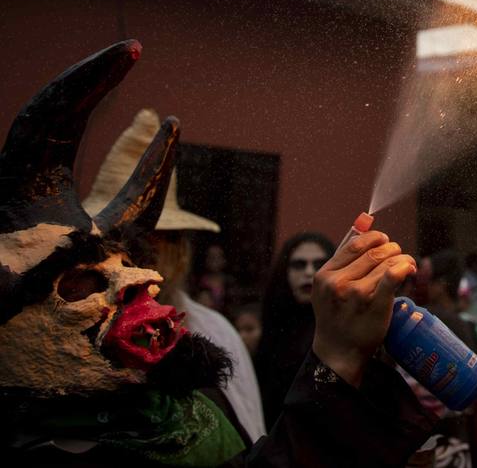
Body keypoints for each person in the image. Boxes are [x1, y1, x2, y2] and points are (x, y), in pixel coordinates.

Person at [0, 40, 435, 466]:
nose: (140, 278)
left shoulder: (181, 396)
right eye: (84, 281)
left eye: (129, 261)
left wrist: (343, 362)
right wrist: (335, 360)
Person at [81, 108, 267, 442]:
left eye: (146, 239)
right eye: (114, 241)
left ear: (178, 250)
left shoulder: (213, 333)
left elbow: (246, 444)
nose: (127, 258)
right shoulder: (69, 328)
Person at [255, 230, 336, 425]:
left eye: (319, 264)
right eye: (299, 265)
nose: (309, 272)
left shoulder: (343, 326)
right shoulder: (272, 326)